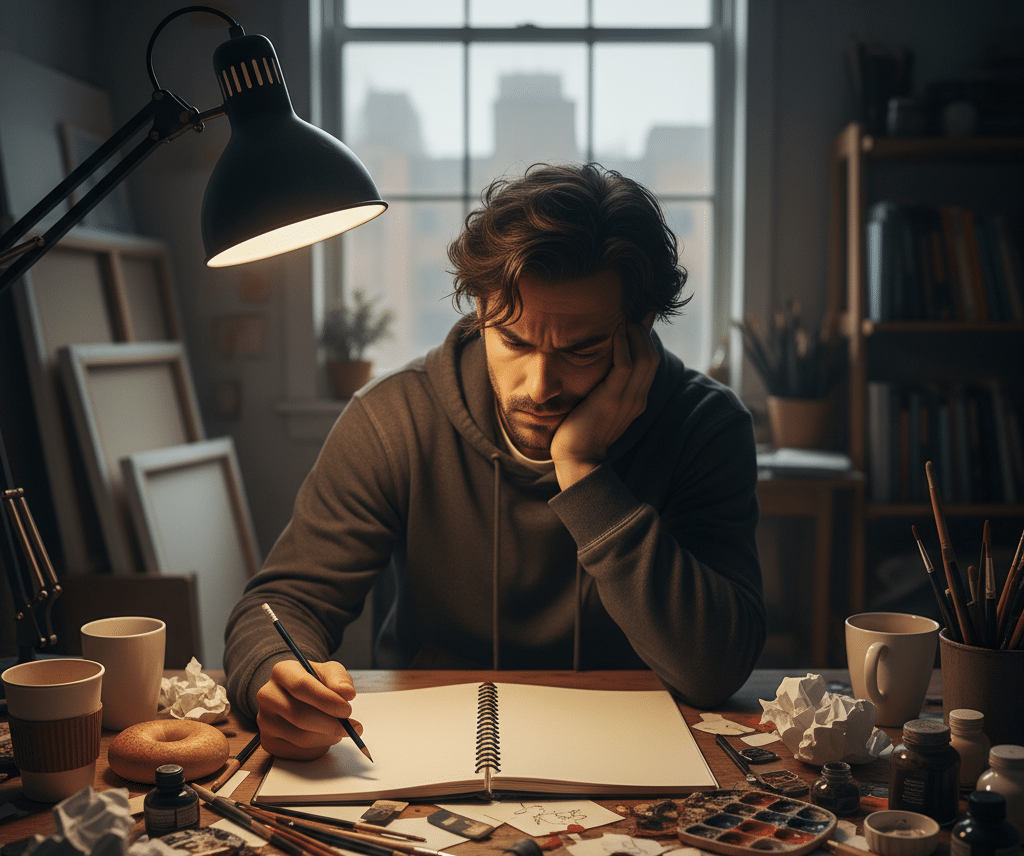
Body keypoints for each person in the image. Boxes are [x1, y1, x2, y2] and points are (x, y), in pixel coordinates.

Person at [224, 163, 766, 759]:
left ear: (638, 332)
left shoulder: (704, 426)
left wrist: (584, 473)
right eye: (514, 339)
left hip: (637, 765)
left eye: (581, 349)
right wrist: (275, 675)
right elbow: (281, 605)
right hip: (424, 758)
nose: (539, 386)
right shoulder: (394, 419)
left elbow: (715, 669)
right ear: (479, 311)